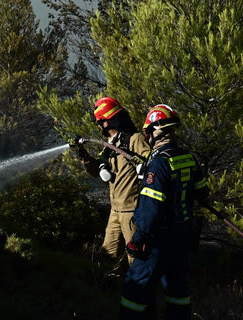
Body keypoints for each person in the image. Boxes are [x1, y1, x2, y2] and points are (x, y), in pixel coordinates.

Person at [119, 104, 209, 320]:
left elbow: (150, 212)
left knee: (134, 291)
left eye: (147, 131)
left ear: (153, 131)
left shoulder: (159, 164)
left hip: (159, 240)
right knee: (176, 289)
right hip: (183, 236)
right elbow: (202, 193)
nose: (146, 136)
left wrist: (137, 239)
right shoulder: (188, 158)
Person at [71, 97, 150, 265]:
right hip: (115, 211)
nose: (98, 126)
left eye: (99, 122)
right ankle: (110, 287)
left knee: (136, 261)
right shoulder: (109, 145)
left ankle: (142, 290)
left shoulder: (134, 140)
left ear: (106, 123)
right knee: (107, 257)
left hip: (132, 212)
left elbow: (153, 165)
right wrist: (85, 158)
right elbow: (97, 171)